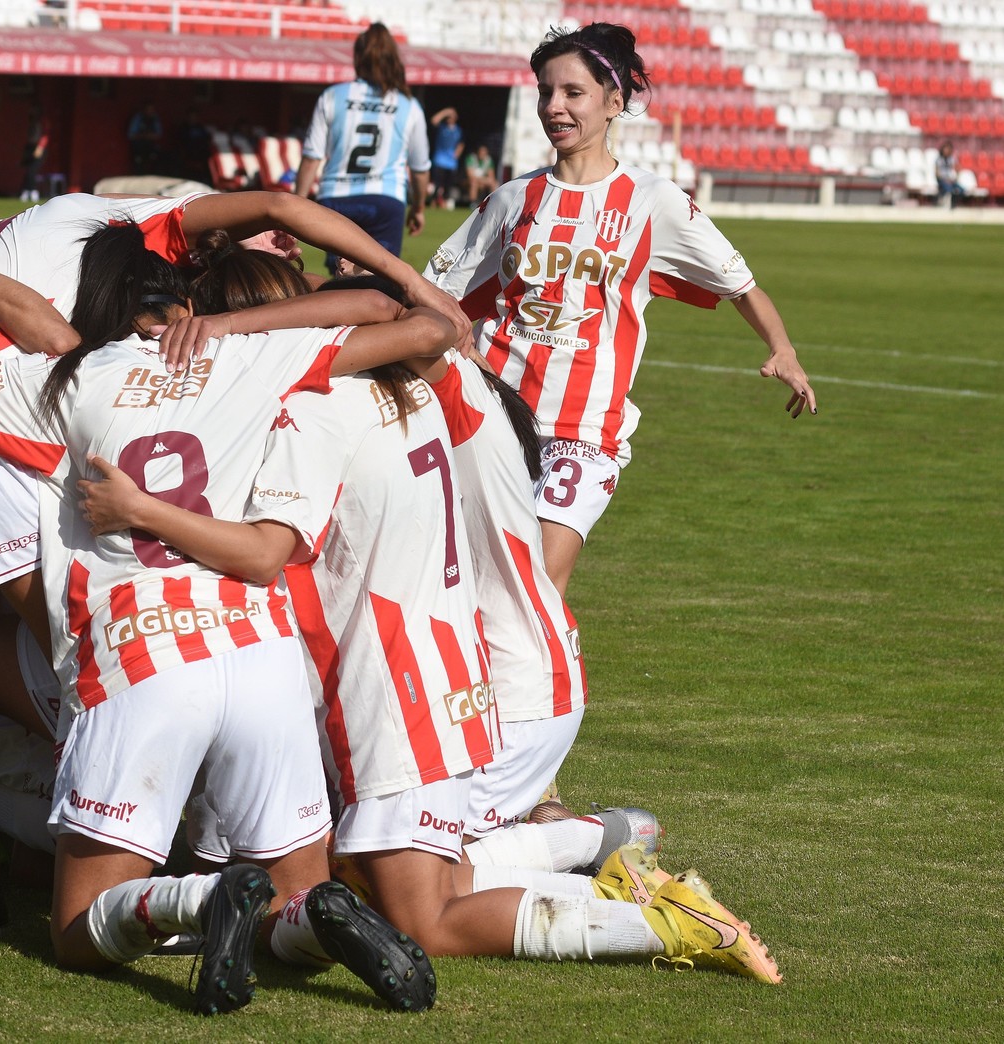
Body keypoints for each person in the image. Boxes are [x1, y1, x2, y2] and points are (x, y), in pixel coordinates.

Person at [0, 224, 467, 1013]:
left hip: (141, 662)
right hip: (263, 660)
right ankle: (315, 915)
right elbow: (416, 321)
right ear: (180, 305)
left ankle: (196, 904)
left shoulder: (65, 381)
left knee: (73, 930)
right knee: (292, 895)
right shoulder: (248, 358)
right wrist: (225, 329)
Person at [75, 279, 781, 986]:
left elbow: (266, 551)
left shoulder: (322, 408)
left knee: (418, 915)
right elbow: (403, 320)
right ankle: (602, 845)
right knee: (382, 878)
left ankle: (649, 917)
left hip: (407, 688)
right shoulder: (429, 393)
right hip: (462, 670)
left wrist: (141, 506)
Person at [424, 22, 817, 596]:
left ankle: (540, 686)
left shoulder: (652, 201)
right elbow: (438, 285)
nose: (553, 107)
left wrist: (782, 349)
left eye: (572, 93)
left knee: (535, 586)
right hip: (490, 413)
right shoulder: (511, 199)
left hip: (584, 432)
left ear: (614, 102)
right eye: (545, 92)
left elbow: (741, 283)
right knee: (471, 583)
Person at [294, 23, 430, 273]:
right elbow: (420, 169)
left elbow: (312, 157)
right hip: (384, 200)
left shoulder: (332, 96)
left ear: (357, 57)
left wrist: (294, 208)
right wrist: (418, 208)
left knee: (341, 277)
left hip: (336, 199)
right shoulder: (407, 105)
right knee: (379, 282)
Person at [428, 107, 465, 209]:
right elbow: (433, 120)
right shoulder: (442, 127)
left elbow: (461, 143)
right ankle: (434, 201)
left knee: (448, 185)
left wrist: (458, 152)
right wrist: (445, 112)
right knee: (437, 183)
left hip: (451, 162)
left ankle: (443, 201)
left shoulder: (458, 130)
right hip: (440, 160)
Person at [19, 106, 47, 202]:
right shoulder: (31, 122)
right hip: (30, 147)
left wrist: (40, 147)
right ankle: (26, 191)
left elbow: (44, 136)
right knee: (28, 171)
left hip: (38, 148)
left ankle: (34, 192)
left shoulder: (42, 123)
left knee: (32, 171)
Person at [126, 102, 161, 174]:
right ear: (143, 109)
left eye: (151, 109)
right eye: (148, 109)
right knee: (139, 165)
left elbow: (158, 134)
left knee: (155, 161)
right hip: (139, 147)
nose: (150, 111)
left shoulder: (155, 118)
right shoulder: (137, 118)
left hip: (151, 147)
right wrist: (143, 135)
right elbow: (130, 135)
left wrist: (149, 136)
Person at [935, 142, 963, 208]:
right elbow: (937, 173)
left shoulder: (952, 159)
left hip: (951, 181)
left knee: (961, 190)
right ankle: (945, 203)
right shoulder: (939, 160)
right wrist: (945, 179)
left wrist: (955, 178)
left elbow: (958, 169)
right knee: (948, 189)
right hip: (943, 180)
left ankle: (954, 204)